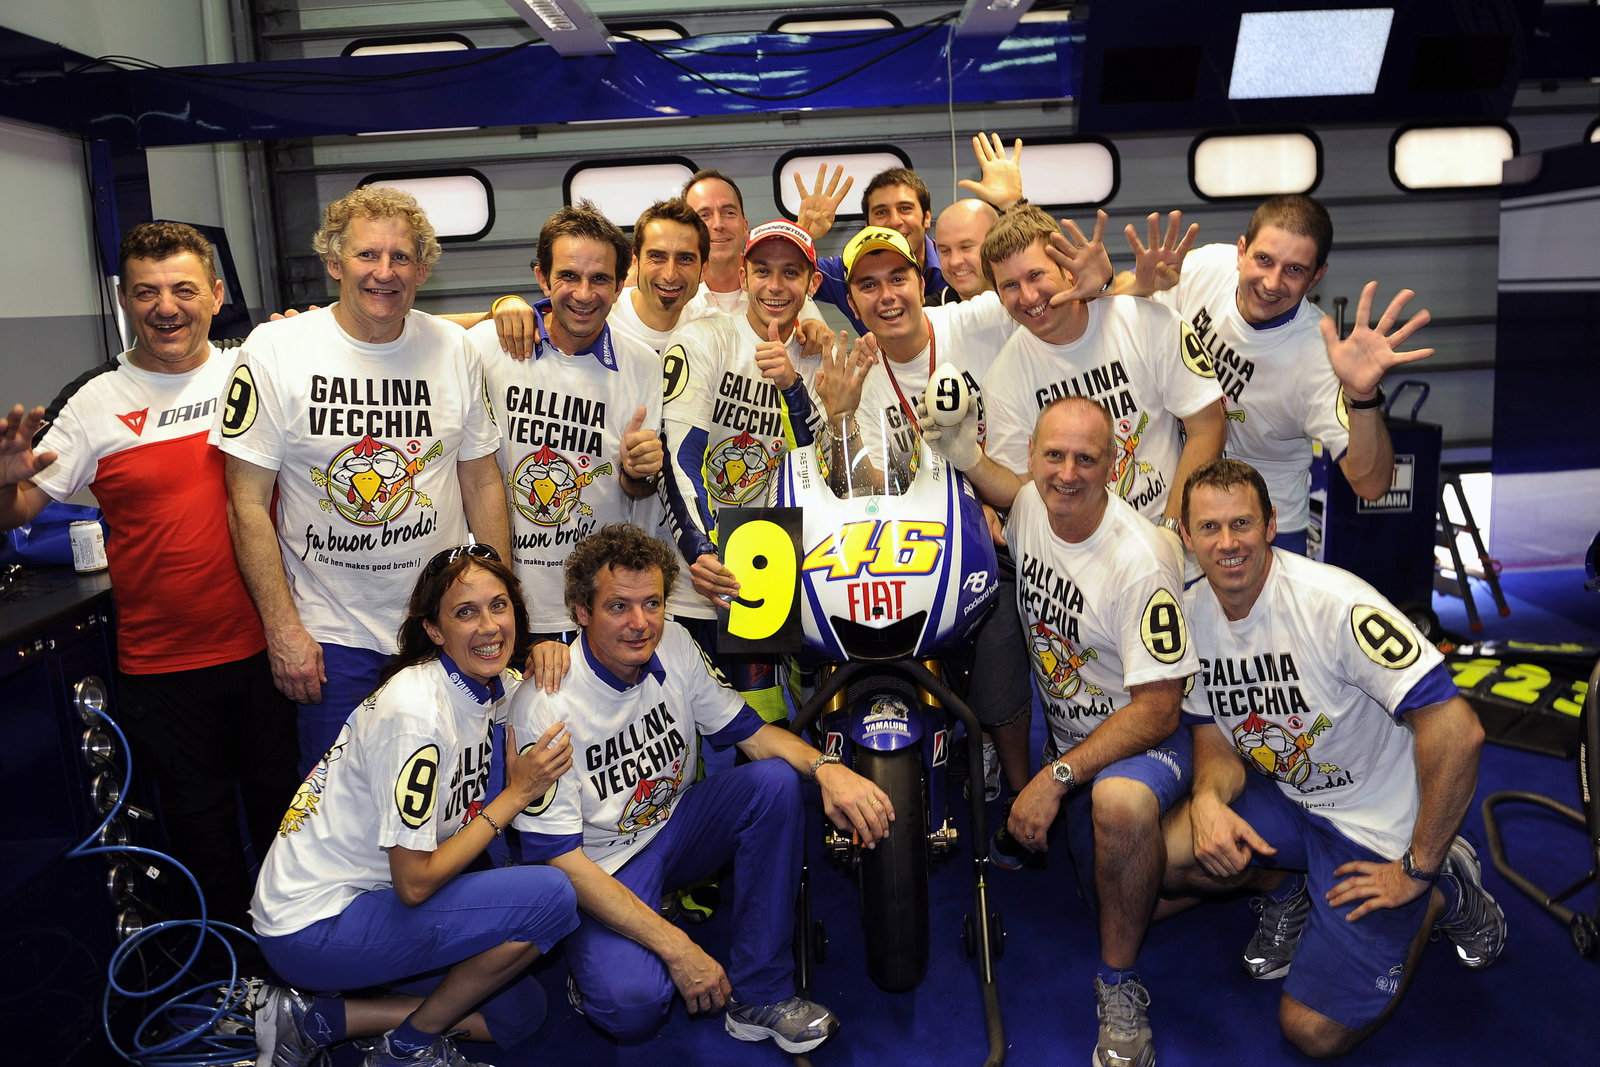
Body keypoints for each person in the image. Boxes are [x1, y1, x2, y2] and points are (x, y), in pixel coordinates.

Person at [0, 222, 297, 933]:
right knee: (203, 842)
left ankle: (305, 970)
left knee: (293, 828)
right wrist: (5, 482)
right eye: (146, 292)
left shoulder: (258, 368)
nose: (166, 307)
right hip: (166, 669)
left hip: (276, 652)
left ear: (216, 295)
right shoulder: (94, 400)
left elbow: (382, 336)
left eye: (183, 289)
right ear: (125, 301)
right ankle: (231, 978)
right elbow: (20, 508)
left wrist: (510, 307)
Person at [1162, 458, 1505, 1058]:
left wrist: (1416, 868)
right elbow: (1212, 733)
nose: (1227, 543)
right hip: (1292, 800)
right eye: (1210, 528)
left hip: (1376, 826)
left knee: (1312, 1033)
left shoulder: (1332, 603)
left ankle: (1446, 889)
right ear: (1187, 537)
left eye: (1242, 523)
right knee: (1168, 856)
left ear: (1271, 525)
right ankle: (1289, 891)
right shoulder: (1189, 613)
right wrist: (1208, 797)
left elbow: (1458, 731)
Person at [508, 523, 892, 1052]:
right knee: (633, 1010)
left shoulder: (675, 643)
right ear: (581, 611)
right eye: (618, 607)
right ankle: (592, 961)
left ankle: (760, 996)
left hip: (676, 826)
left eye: (652, 603)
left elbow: (752, 735)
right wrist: (678, 948)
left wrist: (828, 767)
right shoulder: (545, 704)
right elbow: (559, 861)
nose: (640, 623)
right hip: (599, 866)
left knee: (776, 783)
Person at [214, 186, 509, 773]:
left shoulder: (454, 349)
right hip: (332, 640)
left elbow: (482, 483)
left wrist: (496, 610)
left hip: (443, 627)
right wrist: (284, 630)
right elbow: (245, 502)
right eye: (367, 255)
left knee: (461, 790)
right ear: (333, 263)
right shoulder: (275, 349)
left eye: (401, 257)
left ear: (422, 269)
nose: (384, 271)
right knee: (338, 804)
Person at [250, 544, 579, 1067]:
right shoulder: (416, 715)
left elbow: (534, 686)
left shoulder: (484, 684)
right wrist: (516, 795)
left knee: (519, 1016)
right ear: (434, 630)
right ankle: (405, 1048)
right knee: (552, 897)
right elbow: (416, 884)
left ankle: (315, 1020)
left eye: (498, 606)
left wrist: (547, 652)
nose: (489, 626)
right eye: (465, 612)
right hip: (313, 925)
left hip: (370, 901)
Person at [819, 220, 1109, 803]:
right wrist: (842, 417)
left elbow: (1048, 297)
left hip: (1008, 516)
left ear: (920, 283)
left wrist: (1104, 283)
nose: (887, 296)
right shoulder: (860, 373)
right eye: (869, 286)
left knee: (997, 626)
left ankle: (1018, 787)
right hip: (917, 537)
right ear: (851, 301)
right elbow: (867, 487)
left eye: (898, 278)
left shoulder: (975, 319)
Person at [950, 397, 1198, 1067]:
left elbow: (1160, 710)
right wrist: (963, 455)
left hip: (1148, 741)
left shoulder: (1140, 560)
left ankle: (1120, 985)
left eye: (1085, 459)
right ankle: (1217, 868)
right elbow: (1001, 486)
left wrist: (1055, 778)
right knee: (1104, 892)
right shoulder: (1032, 506)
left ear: (1112, 465)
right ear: (1031, 457)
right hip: (1078, 741)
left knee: (1119, 815)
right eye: (1053, 455)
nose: (1067, 473)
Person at [1116, 197, 1433, 554]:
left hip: (1264, 527)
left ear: (1316, 277)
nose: (1272, 282)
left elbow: (1372, 485)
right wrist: (1141, 287)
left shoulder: (1320, 359)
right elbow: (1118, 302)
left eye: (1294, 270)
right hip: (1183, 499)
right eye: (1264, 260)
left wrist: (1363, 396)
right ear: (1241, 252)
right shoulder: (1206, 268)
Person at [464, 203, 663, 675]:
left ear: (621, 284)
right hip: (501, 605)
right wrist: (502, 305)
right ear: (542, 277)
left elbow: (636, 491)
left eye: (600, 279)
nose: (584, 293)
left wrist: (640, 472)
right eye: (568, 276)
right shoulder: (489, 346)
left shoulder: (642, 363)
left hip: (597, 610)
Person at [977, 204, 1227, 541]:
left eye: (1036, 275)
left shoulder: (1147, 322)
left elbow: (1208, 426)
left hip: (1165, 529)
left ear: (1067, 269)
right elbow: (1022, 485)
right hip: (1076, 551)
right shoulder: (1004, 378)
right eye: (1010, 285)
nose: (1028, 295)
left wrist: (1170, 531)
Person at [658, 219, 824, 723]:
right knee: (690, 731)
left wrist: (793, 388)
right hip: (701, 570)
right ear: (744, 276)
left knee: (774, 721)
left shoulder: (818, 358)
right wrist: (701, 549)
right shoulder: (703, 338)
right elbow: (679, 455)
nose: (776, 286)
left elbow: (821, 468)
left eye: (791, 273)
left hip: (774, 561)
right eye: (763, 271)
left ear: (812, 283)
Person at [798, 133, 1027, 331]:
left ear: (927, 217)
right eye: (881, 212)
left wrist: (1014, 206)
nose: (894, 221)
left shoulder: (955, 267)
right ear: (867, 225)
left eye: (905, 209)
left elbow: (1028, 262)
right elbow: (788, 279)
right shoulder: (849, 270)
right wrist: (802, 234)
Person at [934, 198, 1002, 301]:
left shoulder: (1023, 301)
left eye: (966, 247)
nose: (954, 261)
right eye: (945, 251)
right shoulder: (926, 310)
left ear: (998, 245)